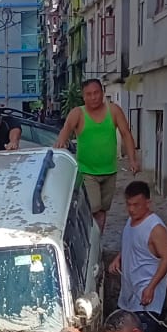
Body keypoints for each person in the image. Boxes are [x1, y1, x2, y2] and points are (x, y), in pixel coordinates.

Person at [54, 79, 142, 233]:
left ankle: (96, 241)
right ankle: (91, 241)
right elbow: (65, 132)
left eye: (96, 93)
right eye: (89, 94)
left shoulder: (114, 111)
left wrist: (132, 159)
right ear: (83, 96)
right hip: (87, 171)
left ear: (102, 93)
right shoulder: (77, 113)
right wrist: (60, 145)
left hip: (110, 171)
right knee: (94, 209)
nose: (93, 97)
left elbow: (126, 134)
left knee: (102, 210)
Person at [109, 181, 167, 332]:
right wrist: (119, 258)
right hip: (129, 295)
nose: (131, 209)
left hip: (146, 300)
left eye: (136, 205)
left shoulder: (156, 228)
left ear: (148, 203)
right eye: (129, 204)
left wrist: (150, 288)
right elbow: (132, 245)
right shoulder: (130, 221)